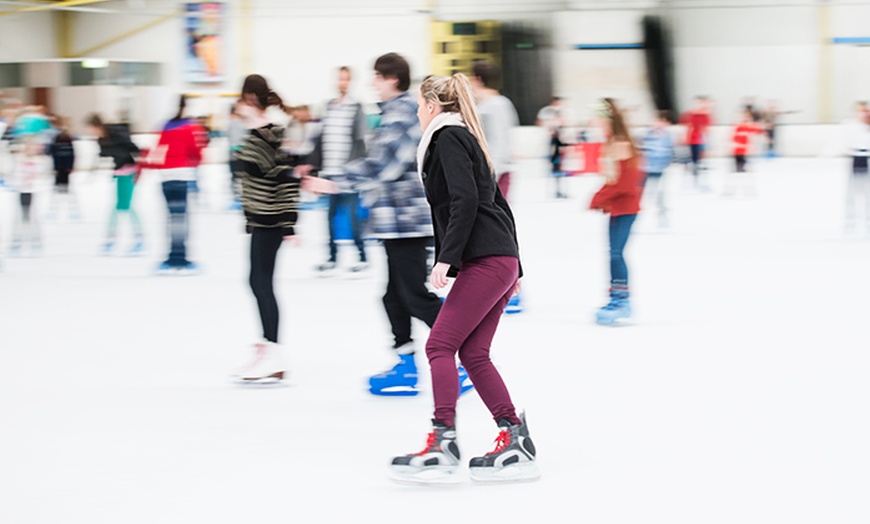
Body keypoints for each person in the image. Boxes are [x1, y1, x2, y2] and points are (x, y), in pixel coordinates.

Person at [389, 73, 539, 485]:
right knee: (473, 354)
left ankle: (442, 441)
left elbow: (468, 200)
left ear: (433, 106)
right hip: (498, 259)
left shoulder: (447, 137)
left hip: (487, 259)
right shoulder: (464, 136)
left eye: (420, 105)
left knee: (439, 344)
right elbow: (498, 202)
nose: (419, 112)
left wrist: (446, 259)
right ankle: (516, 440)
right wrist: (516, 267)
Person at [342, 52, 452, 397]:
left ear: (392, 78)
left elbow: (385, 166)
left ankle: (462, 357)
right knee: (394, 296)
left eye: (376, 76)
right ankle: (406, 365)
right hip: (393, 219)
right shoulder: (392, 113)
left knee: (415, 296)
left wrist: (335, 179)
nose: (373, 82)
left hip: (407, 220)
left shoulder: (403, 113)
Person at [229, 74, 335, 384]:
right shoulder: (255, 134)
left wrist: (289, 224)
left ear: (250, 99)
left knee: (261, 283)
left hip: (271, 221)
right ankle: (268, 348)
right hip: (260, 220)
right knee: (256, 281)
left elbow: (285, 180)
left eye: (241, 99)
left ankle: (273, 353)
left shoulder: (270, 134)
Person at [469, 60, 523, 314]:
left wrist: (490, 178)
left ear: (478, 79)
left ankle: (511, 289)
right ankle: (501, 288)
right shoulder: (493, 105)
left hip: (495, 176)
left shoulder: (493, 106)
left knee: (497, 233)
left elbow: (498, 144)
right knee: (493, 233)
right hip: (494, 175)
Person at [589, 98, 645, 325]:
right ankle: (616, 297)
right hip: (617, 208)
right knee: (613, 252)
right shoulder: (612, 142)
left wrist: (599, 198)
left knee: (616, 253)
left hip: (626, 208)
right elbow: (614, 180)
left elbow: (626, 183)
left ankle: (622, 300)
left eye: (598, 118)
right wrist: (602, 198)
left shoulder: (621, 144)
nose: (594, 123)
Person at [309, 66, 369, 274]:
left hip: (349, 174)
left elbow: (360, 142)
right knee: (330, 217)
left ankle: (362, 257)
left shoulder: (356, 107)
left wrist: (356, 170)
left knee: (352, 217)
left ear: (350, 82)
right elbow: (320, 139)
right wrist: (315, 169)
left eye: (345, 80)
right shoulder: (328, 107)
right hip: (330, 173)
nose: (341, 83)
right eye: (339, 79)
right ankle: (332, 257)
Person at [148, 94, 208, 274]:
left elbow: (158, 149)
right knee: (181, 218)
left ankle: (171, 256)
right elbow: (196, 151)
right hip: (182, 175)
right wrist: (195, 163)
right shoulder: (191, 127)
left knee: (171, 217)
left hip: (166, 176)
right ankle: (180, 258)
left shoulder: (165, 125)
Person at [86, 114, 144, 256]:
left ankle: (138, 238)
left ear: (97, 126)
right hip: (119, 173)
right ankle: (112, 239)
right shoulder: (102, 140)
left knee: (125, 206)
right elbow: (104, 154)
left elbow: (132, 148)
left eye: (91, 129)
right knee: (119, 207)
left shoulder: (115, 134)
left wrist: (140, 166)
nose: (90, 132)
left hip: (129, 171)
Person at [641, 110, 674, 228]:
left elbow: (670, 153)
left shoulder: (668, 137)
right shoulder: (646, 134)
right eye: (656, 121)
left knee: (658, 194)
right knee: (639, 193)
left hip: (658, 170)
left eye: (661, 122)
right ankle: (633, 216)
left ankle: (662, 216)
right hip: (644, 169)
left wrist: (666, 163)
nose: (657, 124)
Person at [725, 107, 765, 197]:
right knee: (735, 172)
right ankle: (730, 190)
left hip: (746, 154)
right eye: (744, 117)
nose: (745, 119)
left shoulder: (750, 127)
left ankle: (749, 190)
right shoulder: (737, 127)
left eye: (748, 117)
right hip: (737, 153)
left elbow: (759, 131)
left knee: (746, 172)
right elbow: (732, 139)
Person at [843, 101, 870, 235]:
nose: (865, 113)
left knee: (868, 193)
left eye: (866, 110)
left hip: (868, 159)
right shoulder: (851, 126)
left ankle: (867, 222)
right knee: (852, 193)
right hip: (856, 158)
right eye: (862, 111)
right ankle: (850, 222)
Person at [536, 96, 571, 198]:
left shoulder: (564, 112)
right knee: (554, 167)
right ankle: (555, 190)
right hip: (551, 143)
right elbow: (540, 123)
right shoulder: (546, 112)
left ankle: (560, 189)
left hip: (560, 143)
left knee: (561, 168)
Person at [47, 116, 80, 221]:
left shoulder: (68, 139)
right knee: (57, 189)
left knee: (66, 189)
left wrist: (71, 166)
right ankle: (54, 210)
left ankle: (72, 210)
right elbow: (51, 153)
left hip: (66, 168)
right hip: (58, 168)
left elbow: (73, 154)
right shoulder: (55, 139)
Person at [679, 96, 712, 190]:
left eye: (704, 103)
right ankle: (687, 183)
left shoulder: (705, 116)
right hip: (690, 141)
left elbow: (706, 129)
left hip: (699, 141)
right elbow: (684, 126)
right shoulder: (689, 114)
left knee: (698, 162)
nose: (703, 105)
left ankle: (697, 182)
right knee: (687, 163)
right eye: (700, 103)